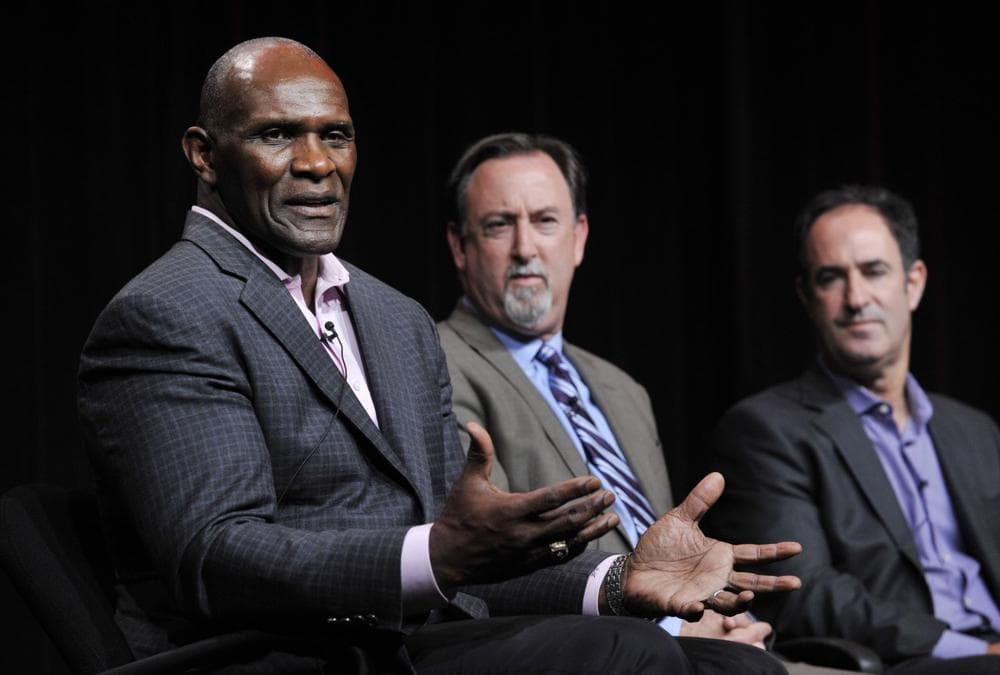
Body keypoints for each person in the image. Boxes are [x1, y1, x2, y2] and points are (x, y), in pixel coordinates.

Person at [78, 37, 800, 673]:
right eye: (277, 135)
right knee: (628, 655)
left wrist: (619, 580)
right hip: (286, 653)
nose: (315, 164)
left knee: (736, 667)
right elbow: (216, 557)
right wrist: (435, 558)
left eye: (336, 135)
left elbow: (465, 555)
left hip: (416, 641)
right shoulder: (168, 312)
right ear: (204, 154)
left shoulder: (393, 318)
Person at [438, 130, 774, 645]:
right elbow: (487, 565)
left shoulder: (622, 390)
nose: (525, 247)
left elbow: (664, 545)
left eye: (545, 221)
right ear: (460, 247)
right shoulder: (436, 362)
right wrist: (675, 629)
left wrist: (716, 615)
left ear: (579, 238)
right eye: (499, 225)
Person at [705, 185, 1000, 674]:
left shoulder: (974, 430)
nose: (856, 298)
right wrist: (974, 652)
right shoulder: (762, 431)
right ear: (806, 296)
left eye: (874, 271)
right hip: (910, 662)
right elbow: (805, 595)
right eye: (831, 278)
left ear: (914, 283)